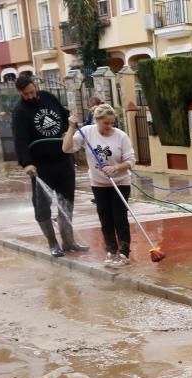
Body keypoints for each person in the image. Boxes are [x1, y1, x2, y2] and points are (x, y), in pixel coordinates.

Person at [12, 75, 89, 258]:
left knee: (66, 202)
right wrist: (26, 163)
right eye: (25, 94)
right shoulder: (20, 112)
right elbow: (20, 140)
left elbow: (64, 115)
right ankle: (53, 243)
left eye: (32, 92)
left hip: (63, 161)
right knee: (42, 207)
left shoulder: (47, 97)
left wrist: (68, 126)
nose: (30, 96)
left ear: (35, 86)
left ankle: (69, 242)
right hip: (40, 167)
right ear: (20, 93)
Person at [63, 104, 136, 267]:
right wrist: (71, 128)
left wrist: (115, 168)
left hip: (120, 182)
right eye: (106, 123)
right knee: (105, 218)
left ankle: (124, 252)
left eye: (112, 122)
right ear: (97, 121)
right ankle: (111, 250)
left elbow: (131, 161)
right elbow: (67, 148)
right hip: (98, 183)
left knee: (120, 217)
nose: (110, 126)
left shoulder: (121, 136)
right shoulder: (87, 132)